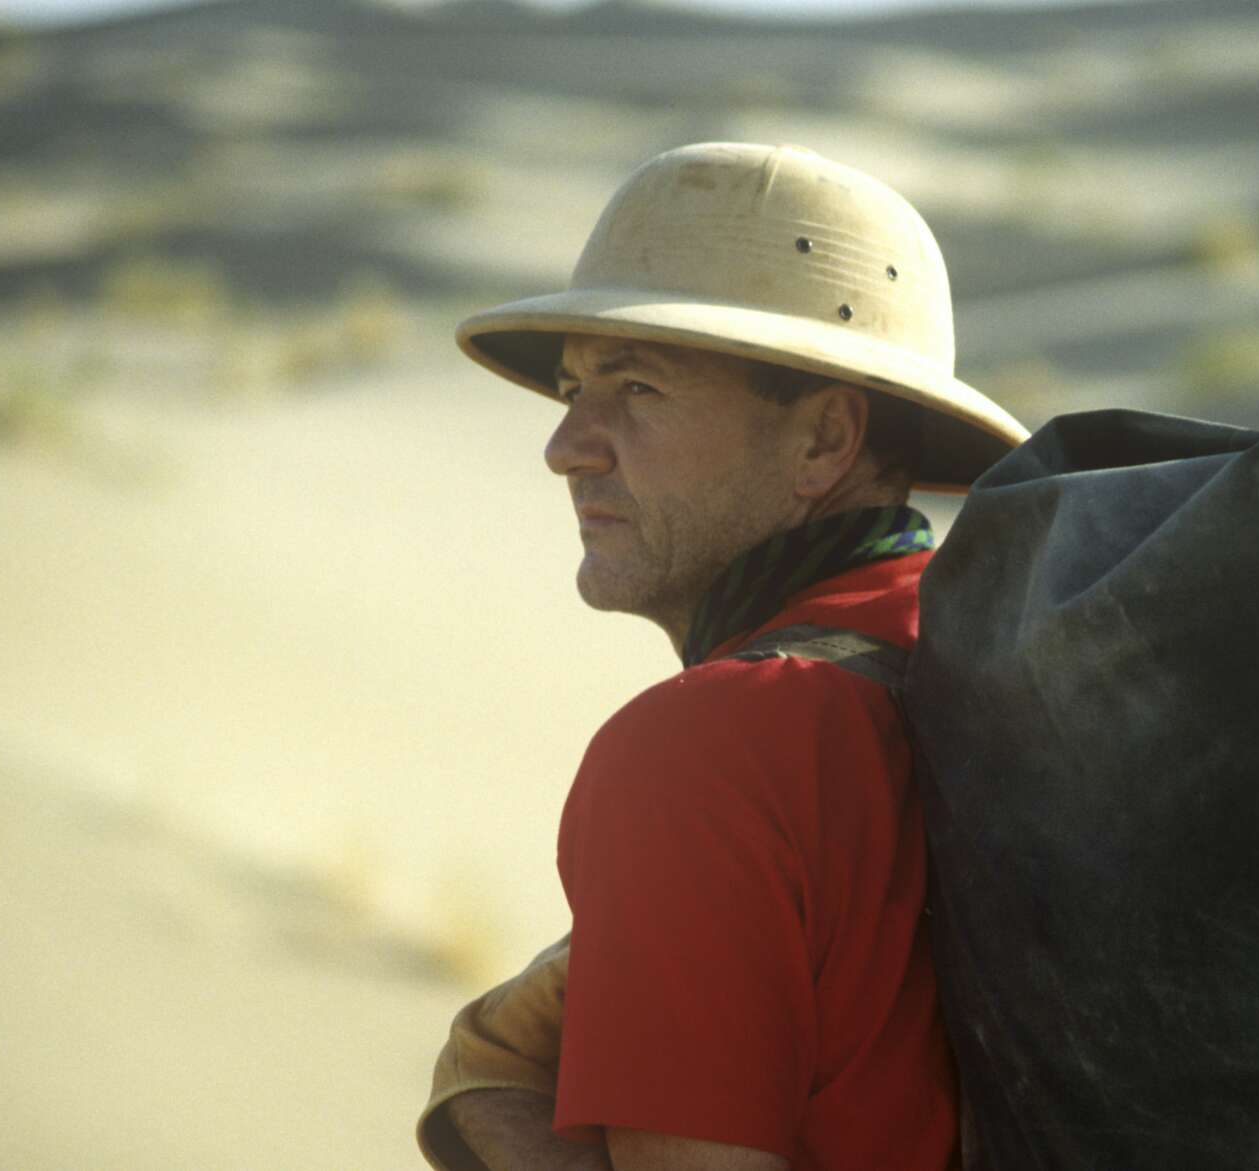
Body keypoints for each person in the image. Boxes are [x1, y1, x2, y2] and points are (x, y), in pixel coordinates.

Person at [415, 142, 1028, 1171]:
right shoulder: (986, 657)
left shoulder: (710, 745)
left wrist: (486, 1099)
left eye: (637, 386)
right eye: (573, 388)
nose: (567, 445)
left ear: (824, 441)